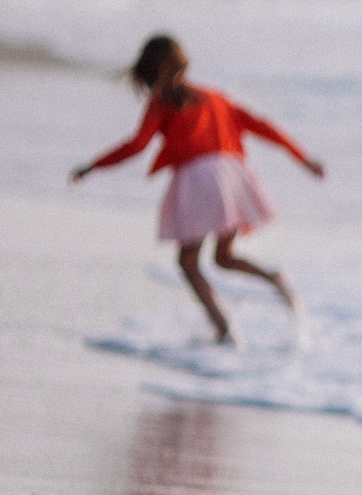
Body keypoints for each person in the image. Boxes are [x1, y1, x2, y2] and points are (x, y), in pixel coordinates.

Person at [70, 34, 323, 344]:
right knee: (224, 256)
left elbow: (137, 145)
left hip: (199, 178)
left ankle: (225, 329)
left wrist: (94, 165)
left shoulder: (162, 102)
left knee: (188, 262)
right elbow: (263, 126)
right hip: (235, 176)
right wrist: (305, 159)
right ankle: (275, 278)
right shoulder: (215, 97)